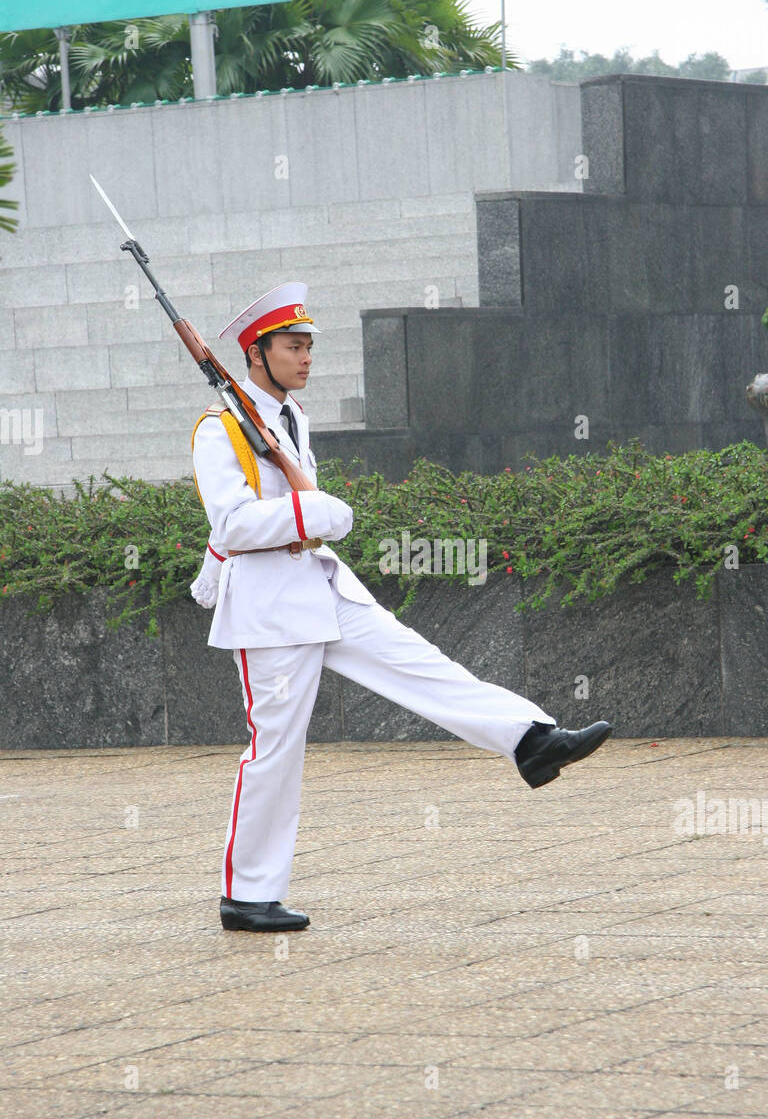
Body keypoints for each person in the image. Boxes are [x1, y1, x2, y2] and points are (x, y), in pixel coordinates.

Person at [190, 282, 612, 933]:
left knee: (424, 665)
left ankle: (531, 738)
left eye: (308, 346)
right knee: (275, 749)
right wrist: (313, 513)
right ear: (256, 352)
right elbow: (234, 522)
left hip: (324, 588)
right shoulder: (219, 430)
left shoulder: (291, 419)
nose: (306, 358)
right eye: (292, 347)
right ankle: (248, 895)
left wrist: (294, 526)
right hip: (270, 610)